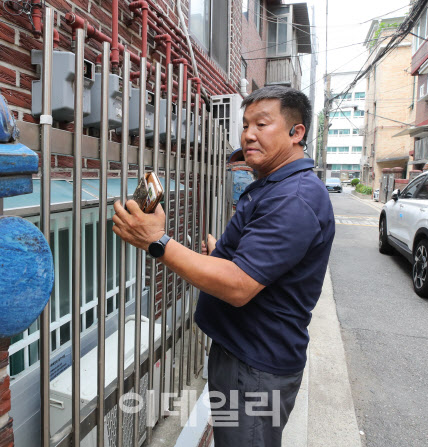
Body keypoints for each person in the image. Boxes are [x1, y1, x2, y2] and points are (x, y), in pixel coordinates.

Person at [112, 85, 335, 447]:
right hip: (242, 353)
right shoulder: (274, 185)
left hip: (256, 366)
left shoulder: (295, 197)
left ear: (297, 133)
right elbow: (260, 266)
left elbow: (238, 285)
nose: (248, 134)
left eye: (261, 124)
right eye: (245, 124)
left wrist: (158, 242)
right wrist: (224, 254)